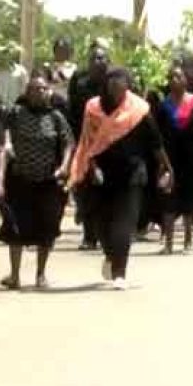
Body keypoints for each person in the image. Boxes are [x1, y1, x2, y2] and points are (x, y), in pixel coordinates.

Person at [69, 68, 173, 290]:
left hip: (132, 174)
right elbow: (88, 142)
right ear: (106, 87)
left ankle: (120, 272)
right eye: (112, 86)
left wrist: (167, 168)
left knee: (123, 225)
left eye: (121, 87)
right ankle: (110, 255)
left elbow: (156, 143)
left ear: (127, 87)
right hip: (101, 175)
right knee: (101, 224)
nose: (117, 91)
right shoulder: (93, 108)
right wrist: (93, 168)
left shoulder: (139, 110)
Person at [0, 76, 74, 290]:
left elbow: (69, 143)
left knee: (47, 229)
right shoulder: (15, 113)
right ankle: (14, 276)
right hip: (20, 179)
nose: (39, 92)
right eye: (34, 89)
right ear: (27, 92)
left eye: (43, 89)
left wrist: (65, 166)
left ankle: (41, 275)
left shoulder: (56, 117)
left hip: (48, 181)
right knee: (15, 229)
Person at [156, 66, 193, 254]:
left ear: (186, 80)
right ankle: (169, 242)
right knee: (168, 199)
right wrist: (159, 162)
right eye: (171, 77)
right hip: (169, 158)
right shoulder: (163, 106)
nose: (175, 79)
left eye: (178, 76)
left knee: (190, 198)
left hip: (192, 157)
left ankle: (189, 238)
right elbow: (157, 136)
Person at [68, 44, 110, 251]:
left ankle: (105, 235)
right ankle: (89, 236)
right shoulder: (79, 83)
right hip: (85, 143)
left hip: (109, 145)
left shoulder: (114, 84)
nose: (97, 62)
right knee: (85, 191)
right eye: (94, 58)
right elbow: (72, 114)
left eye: (101, 58)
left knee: (106, 191)